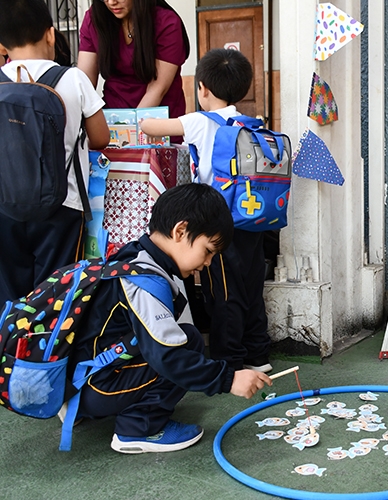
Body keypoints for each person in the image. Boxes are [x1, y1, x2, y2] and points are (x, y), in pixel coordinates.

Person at [70, 183, 273, 453]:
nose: (208, 262)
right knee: (185, 347)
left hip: (79, 379)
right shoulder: (143, 282)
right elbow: (169, 357)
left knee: (186, 337)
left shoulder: (132, 256)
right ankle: (137, 429)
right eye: (208, 251)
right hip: (92, 388)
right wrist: (229, 379)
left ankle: (83, 404)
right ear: (180, 231)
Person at [139, 48, 273, 373]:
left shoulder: (200, 121)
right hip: (256, 220)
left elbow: (149, 127)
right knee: (252, 288)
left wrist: (141, 111)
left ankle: (229, 359)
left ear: (202, 89)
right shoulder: (252, 123)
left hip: (220, 220)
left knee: (224, 292)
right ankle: (258, 354)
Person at [0, 0, 110, 306]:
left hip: (4, 206)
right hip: (63, 205)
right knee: (54, 293)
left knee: (8, 293)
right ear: (51, 35)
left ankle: (10, 348)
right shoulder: (73, 79)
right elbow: (101, 138)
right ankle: (48, 351)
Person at [77, 0, 189, 141]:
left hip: (157, 127)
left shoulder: (167, 22)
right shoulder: (94, 19)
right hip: (111, 125)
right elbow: (84, 83)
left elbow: (158, 88)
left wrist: (130, 134)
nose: (112, 2)